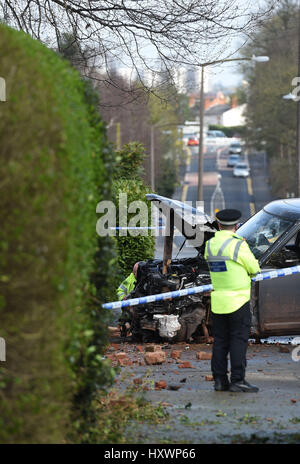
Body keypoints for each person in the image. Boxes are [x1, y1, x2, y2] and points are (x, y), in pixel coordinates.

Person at [204, 209, 261, 393]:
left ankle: (220, 381)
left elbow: (217, 266)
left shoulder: (210, 244)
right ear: (236, 226)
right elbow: (254, 268)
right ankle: (238, 380)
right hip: (238, 301)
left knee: (220, 341)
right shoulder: (238, 245)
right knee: (238, 340)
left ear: (219, 225)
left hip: (219, 301)